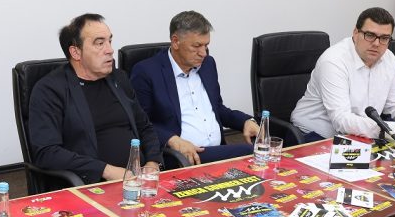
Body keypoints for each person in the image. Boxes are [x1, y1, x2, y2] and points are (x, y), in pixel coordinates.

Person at [28, 14, 162, 184]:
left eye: (109, 41)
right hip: (91, 184)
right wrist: (106, 170)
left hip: (139, 180)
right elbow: (47, 152)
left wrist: (153, 161)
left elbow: (144, 126)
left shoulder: (119, 79)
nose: (110, 50)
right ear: (76, 52)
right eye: (100, 43)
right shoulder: (50, 89)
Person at [291, 7, 395, 145]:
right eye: (369, 35)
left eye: (384, 38)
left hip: (360, 134)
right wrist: (392, 130)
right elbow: (341, 120)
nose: (376, 43)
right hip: (313, 135)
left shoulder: (389, 58)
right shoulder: (334, 61)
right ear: (355, 33)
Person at [131, 11, 260, 164]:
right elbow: (140, 123)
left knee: (261, 153)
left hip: (218, 150)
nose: (203, 53)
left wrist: (245, 121)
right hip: (181, 157)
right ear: (175, 42)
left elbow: (217, 108)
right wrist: (172, 139)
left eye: (206, 45)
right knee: (253, 153)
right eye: (197, 46)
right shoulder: (147, 72)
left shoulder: (208, 64)